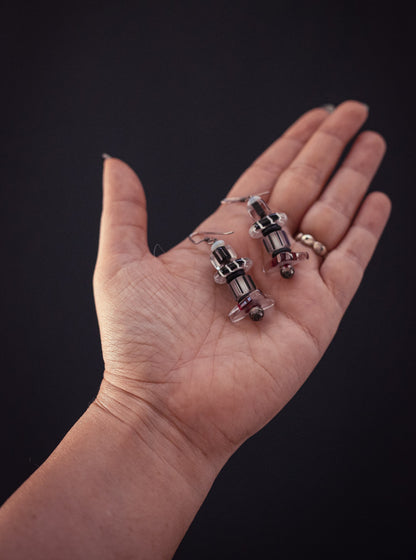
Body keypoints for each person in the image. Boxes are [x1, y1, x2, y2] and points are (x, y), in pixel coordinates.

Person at [0, 100, 390, 559]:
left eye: (278, 251)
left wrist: (154, 422)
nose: (280, 257)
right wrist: (155, 416)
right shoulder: (243, 271)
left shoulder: (260, 258)